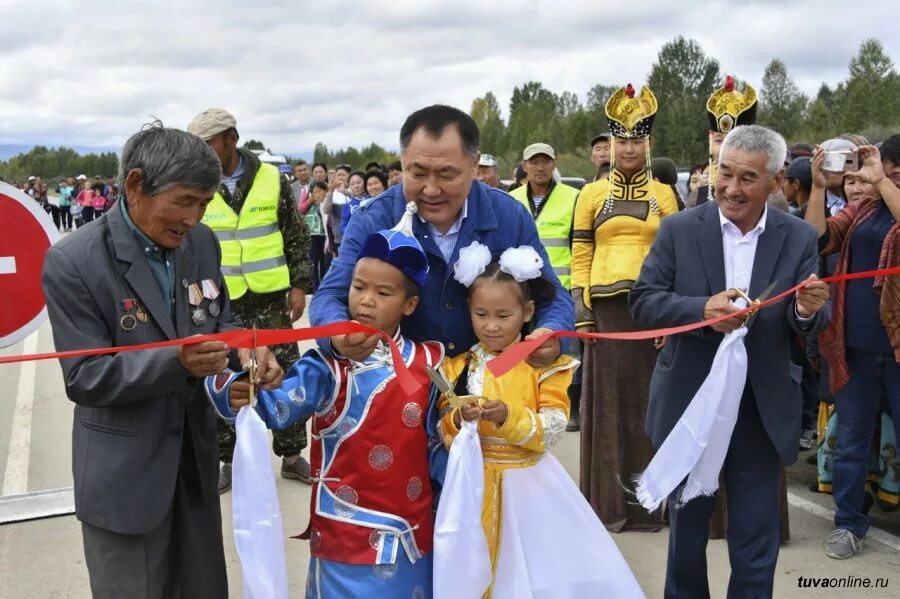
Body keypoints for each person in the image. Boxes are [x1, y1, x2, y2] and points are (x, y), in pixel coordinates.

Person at [41, 122, 283, 597]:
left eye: (204, 203)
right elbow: (86, 377)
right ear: (135, 185)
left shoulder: (201, 244)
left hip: (194, 467)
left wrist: (245, 349)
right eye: (184, 201)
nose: (194, 217)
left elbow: (219, 321)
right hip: (125, 479)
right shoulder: (75, 262)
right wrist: (179, 363)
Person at [630, 124, 831, 597]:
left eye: (747, 178)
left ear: (776, 182)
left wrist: (806, 311)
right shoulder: (680, 228)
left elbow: (813, 319)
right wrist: (701, 310)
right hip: (692, 400)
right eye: (725, 174)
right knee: (685, 534)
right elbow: (644, 301)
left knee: (754, 538)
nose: (731, 189)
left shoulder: (799, 237)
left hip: (760, 408)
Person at [207, 206, 440, 598]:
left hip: (413, 530)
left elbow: (440, 439)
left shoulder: (430, 361)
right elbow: (278, 408)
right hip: (345, 535)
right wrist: (237, 387)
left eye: (383, 293)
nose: (366, 301)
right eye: (358, 287)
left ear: (410, 305)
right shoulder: (328, 366)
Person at [309, 104, 574, 399]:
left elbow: (553, 296)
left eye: (447, 175)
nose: (431, 190)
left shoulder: (509, 216)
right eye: (418, 173)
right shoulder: (373, 219)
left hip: (489, 395)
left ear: (474, 166)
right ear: (403, 162)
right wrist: (339, 332)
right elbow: (329, 295)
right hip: (401, 393)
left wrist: (552, 331)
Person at [436, 243, 645, 597]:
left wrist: (508, 417)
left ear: (528, 310)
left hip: (528, 485)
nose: (490, 326)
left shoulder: (543, 365)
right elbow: (444, 425)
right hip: (471, 485)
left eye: (503, 316)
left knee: (530, 572)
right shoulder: (459, 365)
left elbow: (552, 427)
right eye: (481, 314)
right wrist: (459, 417)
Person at [571, 83, 680, 532]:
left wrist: (672, 318)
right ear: (611, 145)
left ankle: (650, 505)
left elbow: (675, 261)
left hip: (652, 312)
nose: (629, 147)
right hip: (608, 315)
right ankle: (608, 506)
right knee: (608, 409)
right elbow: (580, 255)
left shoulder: (666, 195)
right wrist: (582, 308)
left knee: (651, 408)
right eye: (622, 140)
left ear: (648, 143)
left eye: (637, 140)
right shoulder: (591, 196)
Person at [187, 108, 313, 492]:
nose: (203, 153)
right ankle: (229, 460)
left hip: (272, 299)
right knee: (225, 377)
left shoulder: (272, 179)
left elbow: (295, 234)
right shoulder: (196, 183)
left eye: (208, 144)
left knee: (283, 375)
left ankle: (291, 456)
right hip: (221, 304)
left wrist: (298, 284)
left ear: (231, 139)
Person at [805, 136, 900, 559]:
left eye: (890, 171)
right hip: (855, 346)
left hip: (896, 348)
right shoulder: (861, 210)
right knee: (852, 440)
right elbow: (817, 239)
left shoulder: (887, 200)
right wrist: (819, 187)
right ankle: (847, 524)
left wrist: (882, 182)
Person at [509, 142, 583, 430]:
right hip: (521, 292)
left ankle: (570, 408)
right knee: (524, 352)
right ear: (524, 166)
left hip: (561, 289)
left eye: (546, 161)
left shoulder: (573, 197)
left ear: (554, 164)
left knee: (566, 352)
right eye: (534, 162)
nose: (540, 167)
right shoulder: (511, 199)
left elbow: (579, 246)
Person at [693, 76, 758, 208]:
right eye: (719, 140)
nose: (726, 148)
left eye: (734, 140)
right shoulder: (698, 193)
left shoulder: (766, 192)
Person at [298, 180, 329, 293]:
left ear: (326, 191)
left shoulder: (327, 203)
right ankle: (315, 287)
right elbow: (300, 209)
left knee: (324, 262)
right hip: (312, 235)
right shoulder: (308, 200)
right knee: (313, 262)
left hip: (325, 236)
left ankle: (324, 287)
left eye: (319, 191)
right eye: (314, 192)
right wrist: (309, 201)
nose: (317, 194)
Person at [322, 164, 352, 255]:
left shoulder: (353, 189)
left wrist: (344, 191)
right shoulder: (333, 193)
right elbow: (326, 210)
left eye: (343, 175)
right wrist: (330, 191)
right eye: (338, 175)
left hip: (353, 235)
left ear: (349, 176)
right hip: (338, 237)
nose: (341, 177)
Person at [340, 170, 368, 237]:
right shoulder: (348, 206)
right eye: (352, 184)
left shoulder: (373, 200)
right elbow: (343, 227)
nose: (356, 186)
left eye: (358, 182)